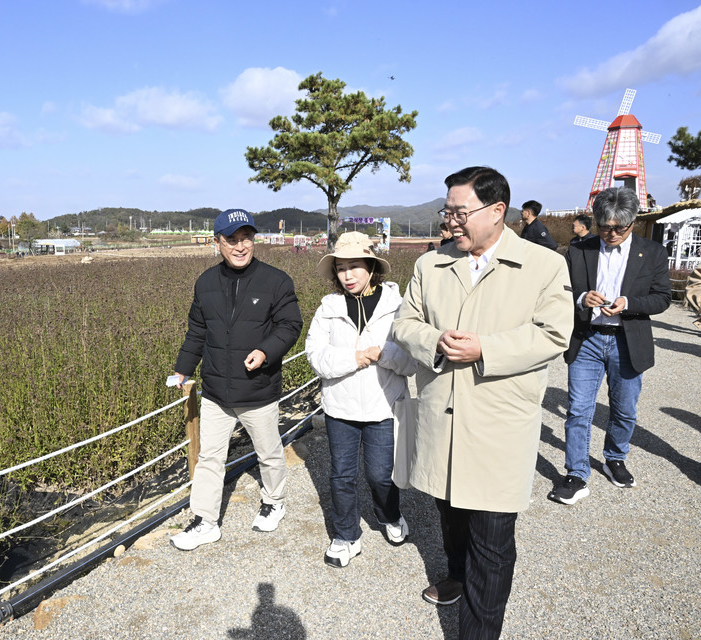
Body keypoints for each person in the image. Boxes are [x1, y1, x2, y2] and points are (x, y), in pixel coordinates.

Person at [392, 167, 573, 639]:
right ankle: (454, 574)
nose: (450, 221)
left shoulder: (544, 266)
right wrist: (434, 339)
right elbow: (405, 323)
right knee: (449, 513)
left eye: (459, 212)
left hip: (498, 428)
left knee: (492, 544)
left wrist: (484, 350)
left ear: (497, 212)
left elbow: (554, 333)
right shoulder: (430, 265)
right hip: (440, 420)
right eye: (447, 210)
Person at [170, 209, 303, 551]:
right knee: (210, 458)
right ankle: (205, 521)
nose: (240, 246)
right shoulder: (206, 283)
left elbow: (290, 325)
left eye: (246, 238)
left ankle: (274, 500)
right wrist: (183, 368)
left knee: (269, 452)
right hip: (215, 391)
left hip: (258, 388)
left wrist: (265, 352)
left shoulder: (276, 281)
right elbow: (196, 331)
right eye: (232, 239)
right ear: (218, 243)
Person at [549, 187, 671, 505]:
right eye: (605, 226)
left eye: (620, 227)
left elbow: (663, 297)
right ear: (596, 221)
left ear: (633, 223)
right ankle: (576, 473)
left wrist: (629, 303)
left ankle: (614, 458)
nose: (612, 233)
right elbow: (560, 293)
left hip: (628, 340)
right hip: (587, 338)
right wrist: (580, 299)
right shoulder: (579, 250)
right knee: (578, 411)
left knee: (624, 409)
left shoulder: (653, 252)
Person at [305, 232, 417, 567]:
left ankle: (389, 514)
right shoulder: (329, 308)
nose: (348, 275)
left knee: (382, 474)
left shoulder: (398, 306)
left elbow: (412, 361)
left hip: (385, 405)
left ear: (372, 267)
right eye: (341, 268)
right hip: (341, 407)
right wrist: (354, 358)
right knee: (341, 475)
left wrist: (383, 354)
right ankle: (345, 535)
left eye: (355, 266)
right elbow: (315, 355)